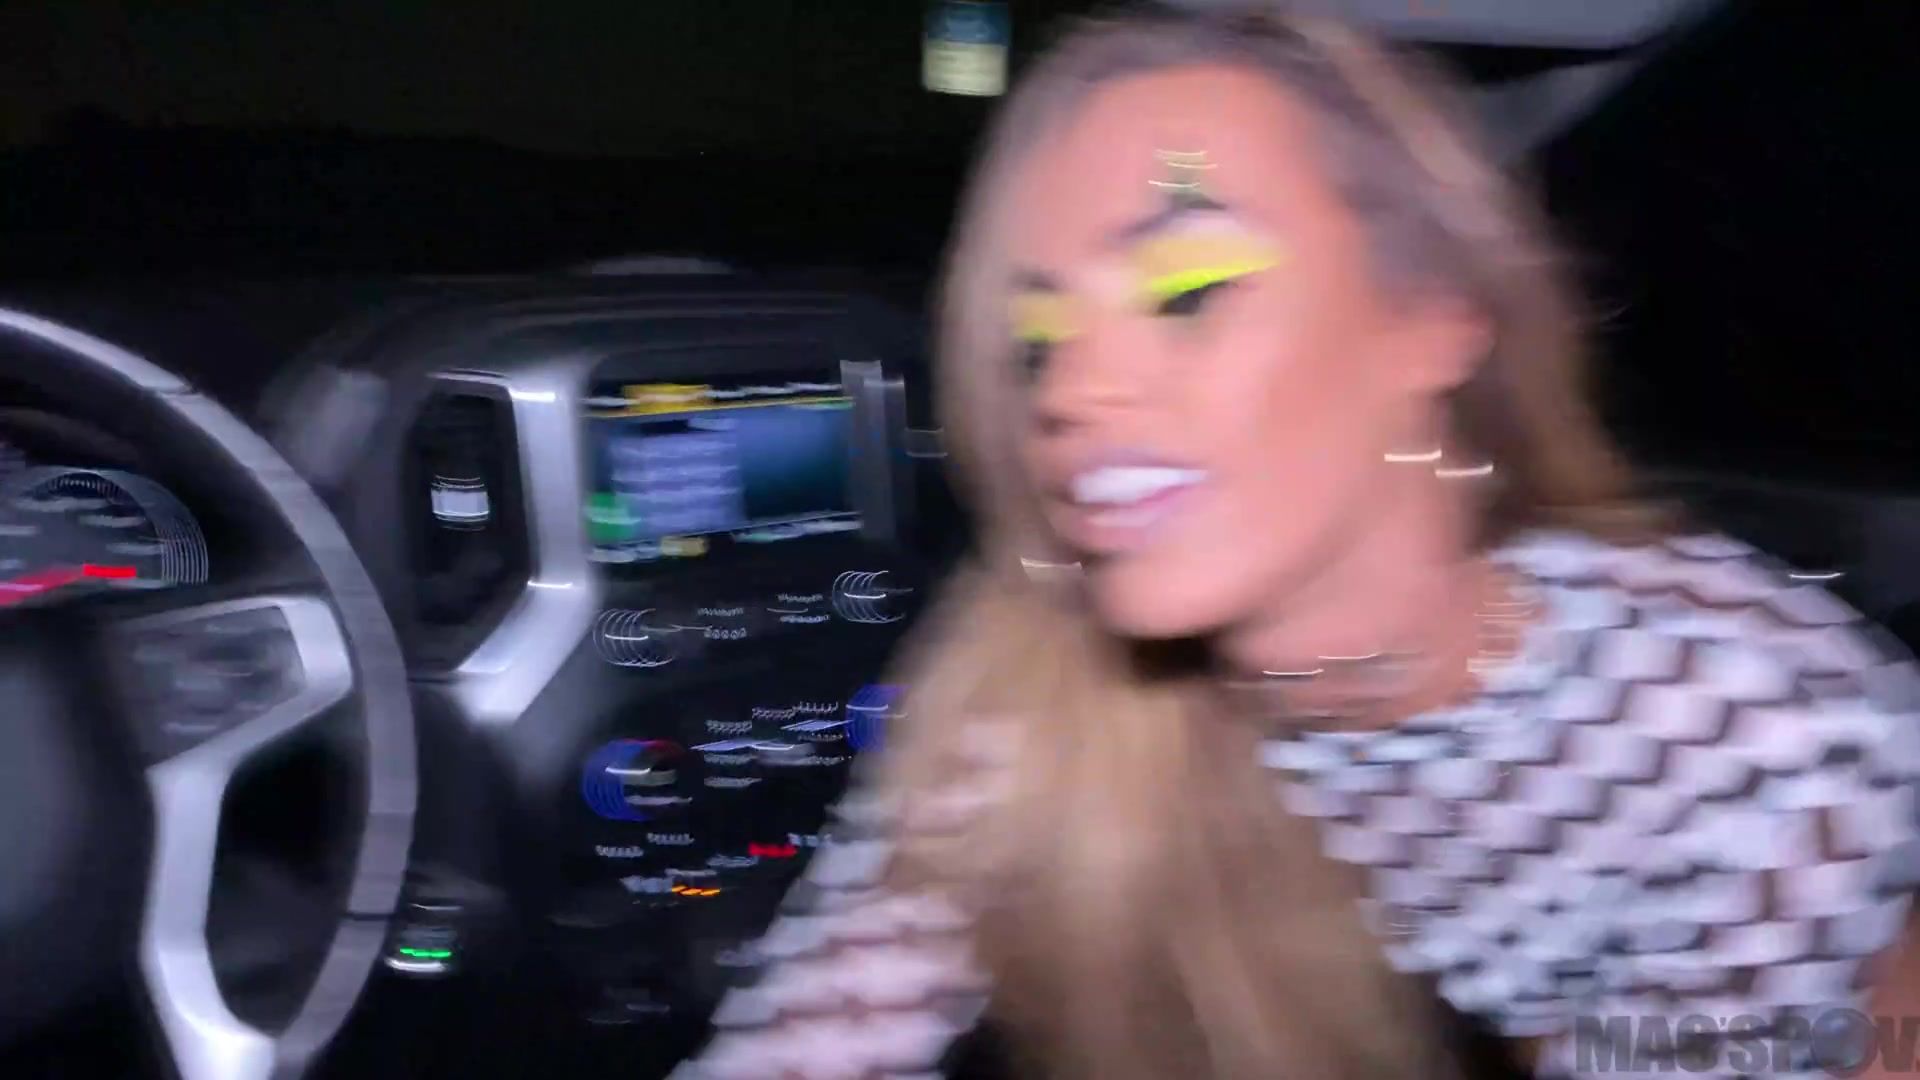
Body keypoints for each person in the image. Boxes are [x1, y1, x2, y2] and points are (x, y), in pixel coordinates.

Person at [674, 4, 1920, 1077]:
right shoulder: (1028, 701)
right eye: (1039, 334)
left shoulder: (1754, 733)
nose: (1072, 389)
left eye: (1187, 290)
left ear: (1433, 318)